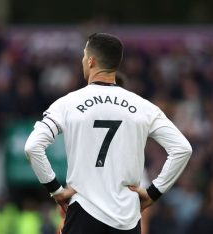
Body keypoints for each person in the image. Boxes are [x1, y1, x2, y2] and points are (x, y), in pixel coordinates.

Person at [24, 32, 192, 234]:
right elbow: (183, 149)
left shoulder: (67, 104)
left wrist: (56, 190)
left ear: (92, 60)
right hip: (126, 217)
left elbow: (32, 147)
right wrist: (154, 193)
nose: (83, 60)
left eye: (84, 56)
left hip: (83, 212)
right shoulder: (144, 107)